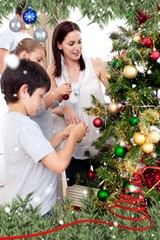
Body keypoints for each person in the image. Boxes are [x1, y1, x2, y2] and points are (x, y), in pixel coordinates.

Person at [0, 59, 88, 216]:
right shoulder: (26, 126)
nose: (42, 102)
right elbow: (59, 164)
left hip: (21, 210)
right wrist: (74, 136)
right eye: (40, 96)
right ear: (24, 91)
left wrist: (62, 135)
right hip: (36, 212)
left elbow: (40, 151)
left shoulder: (13, 120)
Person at [47, 21, 109, 186]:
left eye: (79, 42)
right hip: (73, 148)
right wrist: (64, 109)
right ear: (59, 45)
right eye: (71, 43)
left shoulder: (95, 64)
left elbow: (118, 94)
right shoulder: (53, 71)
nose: (77, 48)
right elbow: (46, 107)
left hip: (102, 144)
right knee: (78, 200)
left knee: (107, 196)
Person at [13, 38, 72, 140]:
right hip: (35, 140)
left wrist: (59, 97)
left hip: (46, 140)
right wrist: (56, 92)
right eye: (38, 60)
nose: (41, 65)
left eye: (42, 61)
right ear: (24, 56)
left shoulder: (35, 81)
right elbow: (36, 109)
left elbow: (47, 105)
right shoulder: (20, 82)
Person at [0, 1, 32, 74]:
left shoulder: (29, 37)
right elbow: (1, 60)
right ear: (18, 16)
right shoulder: (9, 34)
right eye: (26, 15)